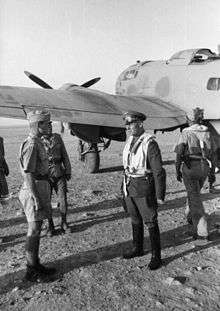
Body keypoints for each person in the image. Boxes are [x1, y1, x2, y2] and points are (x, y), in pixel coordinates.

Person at [122, 111, 165, 270]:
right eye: (127, 124)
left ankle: (156, 256)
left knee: (150, 221)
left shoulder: (149, 143)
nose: (128, 127)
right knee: (134, 218)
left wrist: (159, 194)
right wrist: (123, 189)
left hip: (143, 186)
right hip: (129, 185)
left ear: (140, 124)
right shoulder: (129, 140)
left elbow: (158, 171)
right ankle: (137, 248)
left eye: (131, 123)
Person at [19, 110, 56, 282]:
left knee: (37, 228)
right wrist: (35, 197)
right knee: (33, 230)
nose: (50, 125)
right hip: (33, 188)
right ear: (38, 125)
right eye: (47, 123)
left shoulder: (38, 142)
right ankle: (31, 270)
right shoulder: (32, 144)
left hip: (40, 186)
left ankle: (35, 264)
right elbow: (28, 173)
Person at [174, 107, 213, 240]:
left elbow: (179, 153)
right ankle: (191, 218)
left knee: (195, 199)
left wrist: (177, 169)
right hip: (204, 168)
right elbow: (212, 153)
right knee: (194, 193)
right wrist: (211, 173)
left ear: (189, 119)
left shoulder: (186, 132)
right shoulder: (207, 132)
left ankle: (202, 233)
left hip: (190, 167)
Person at [42, 122, 71, 234]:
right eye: (47, 126)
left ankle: (64, 222)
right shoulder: (38, 140)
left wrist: (68, 170)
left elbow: (65, 154)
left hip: (59, 173)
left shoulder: (57, 137)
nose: (49, 127)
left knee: (63, 199)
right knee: (46, 201)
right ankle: (50, 225)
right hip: (45, 176)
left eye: (50, 126)